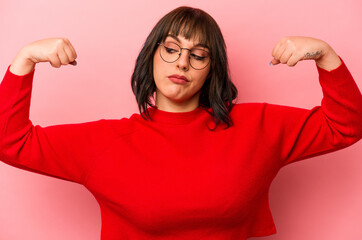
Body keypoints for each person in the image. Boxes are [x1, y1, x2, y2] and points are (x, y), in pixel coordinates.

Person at [0, 6, 361, 240]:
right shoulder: (106, 142)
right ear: (151, 56)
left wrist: (326, 55)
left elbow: (345, 125)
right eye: (171, 49)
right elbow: (10, 142)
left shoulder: (258, 126)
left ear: (211, 70)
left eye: (198, 54)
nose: (182, 63)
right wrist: (24, 60)